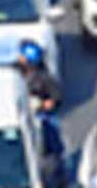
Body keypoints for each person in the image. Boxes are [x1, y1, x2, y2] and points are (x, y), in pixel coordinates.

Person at [17, 40, 64, 174]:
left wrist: (43, 104)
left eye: (23, 56)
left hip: (40, 115)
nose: (20, 58)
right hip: (22, 113)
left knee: (51, 141)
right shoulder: (17, 71)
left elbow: (56, 97)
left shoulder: (44, 77)